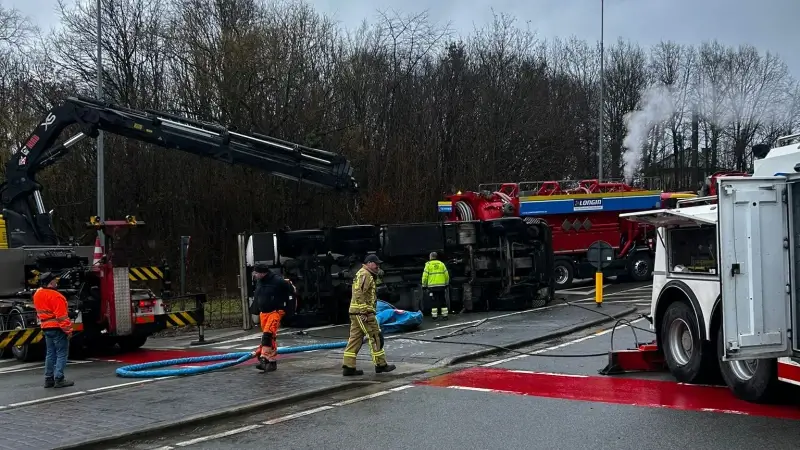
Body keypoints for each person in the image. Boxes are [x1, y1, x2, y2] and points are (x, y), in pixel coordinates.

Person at [342, 254, 396, 376]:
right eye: (376, 263)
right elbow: (359, 293)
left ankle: (348, 366)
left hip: (355, 311)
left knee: (355, 339)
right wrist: (364, 311)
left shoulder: (362, 273)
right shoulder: (365, 274)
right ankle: (381, 364)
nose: (378, 266)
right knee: (375, 336)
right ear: (369, 263)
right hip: (364, 312)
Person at [33, 272, 74, 388]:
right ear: (51, 282)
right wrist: (68, 331)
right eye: (55, 280)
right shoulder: (57, 296)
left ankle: (48, 379)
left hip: (46, 327)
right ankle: (59, 379)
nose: (57, 282)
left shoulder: (38, 294)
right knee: (62, 353)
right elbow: (61, 317)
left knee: (50, 354)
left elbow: (45, 311)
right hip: (57, 328)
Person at [252, 263, 296, 372]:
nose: (255, 274)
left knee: (268, 334)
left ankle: (265, 358)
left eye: (256, 272)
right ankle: (271, 362)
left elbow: (291, 291)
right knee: (271, 337)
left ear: (262, 273)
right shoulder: (260, 282)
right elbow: (258, 296)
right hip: (264, 313)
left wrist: (288, 309)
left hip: (275, 312)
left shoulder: (278, 281)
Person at [422, 252, 450, 320]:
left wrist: (424, 285)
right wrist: (446, 284)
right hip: (441, 286)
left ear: (430, 257)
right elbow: (446, 275)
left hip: (432, 287)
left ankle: (434, 316)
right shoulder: (441, 264)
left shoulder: (428, 265)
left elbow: (425, 277)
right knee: (443, 300)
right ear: (436, 257)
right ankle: (445, 316)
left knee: (433, 301)